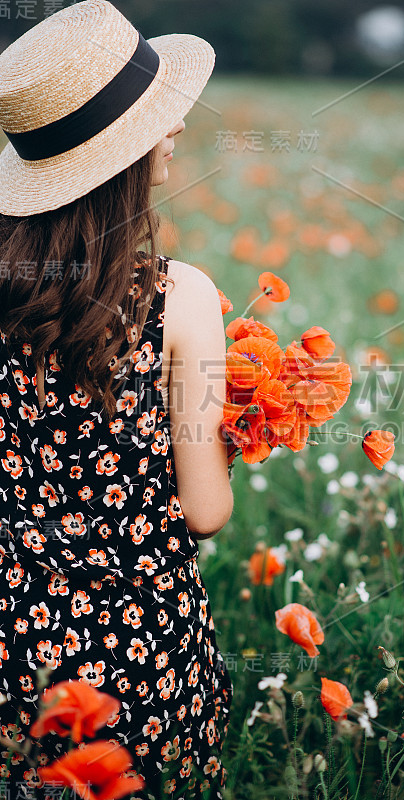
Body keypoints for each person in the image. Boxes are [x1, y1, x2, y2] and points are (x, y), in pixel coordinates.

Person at [0, 1, 234, 798]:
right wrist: (237, 431)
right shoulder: (182, 300)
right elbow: (204, 511)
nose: (177, 131)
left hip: (14, 662)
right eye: (161, 120)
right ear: (125, 155)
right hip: (148, 669)